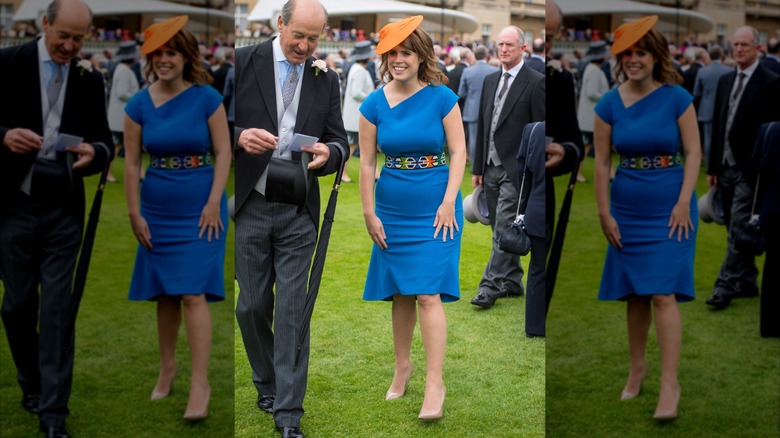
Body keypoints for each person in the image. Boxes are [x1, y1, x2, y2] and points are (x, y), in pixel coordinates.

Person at [232, 0, 348, 436]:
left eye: (314, 38)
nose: (305, 45)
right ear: (280, 24)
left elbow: (339, 140)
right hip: (251, 204)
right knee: (252, 305)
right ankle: (266, 381)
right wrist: (239, 135)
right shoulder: (243, 61)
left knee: (294, 310)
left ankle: (288, 414)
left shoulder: (326, 77)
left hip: (299, 209)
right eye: (298, 34)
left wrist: (330, 153)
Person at [0, 0, 114, 436]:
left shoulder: (90, 78)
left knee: (56, 313)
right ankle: (30, 380)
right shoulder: (8, 63)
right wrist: (5, 135)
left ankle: (53, 415)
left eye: (78, 38)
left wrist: (95, 152)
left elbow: (103, 139)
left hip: (63, 210)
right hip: (13, 205)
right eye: (63, 35)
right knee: (16, 306)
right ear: (43, 24)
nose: (70, 46)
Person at [358, 15, 467, 420]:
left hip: (437, 207)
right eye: (393, 53)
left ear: (422, 56)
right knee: (400, 290)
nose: (399, 59)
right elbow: (366, 164)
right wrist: (369, 212)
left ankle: (435, 383)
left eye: (406, 52)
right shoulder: (371, 105)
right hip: (391, 208)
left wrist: (448, 200)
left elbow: (458, 152)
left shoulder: (442, 97)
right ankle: (402, 367)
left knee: (427, 292)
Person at [593, 15, 701, 421]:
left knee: (662, 292)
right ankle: (637, 367)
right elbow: (601, 164)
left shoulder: (677, 98)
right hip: (626, 207)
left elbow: (693, 152)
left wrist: (683, 200)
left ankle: (670, 383)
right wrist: (604, 212)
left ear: (657, 56)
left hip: (672, 207)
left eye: (642, 52)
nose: (635, 59)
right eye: (628, 53)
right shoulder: (607, 106)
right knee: (635, 292)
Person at [123, 15, 231, 421]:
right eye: (158, 53)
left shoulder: (207, 98)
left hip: (202, 207)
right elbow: (132, 164)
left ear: (186, 56)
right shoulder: (136, 106)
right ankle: (167, 367)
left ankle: (199, 383)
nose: (165, 59)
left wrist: (213, 200)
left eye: (172, 52)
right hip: (156, 208)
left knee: (191, 292)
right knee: (165, 292)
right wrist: (134, 212)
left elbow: (223, 152)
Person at [470, 25, 545, 309]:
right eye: (500, 44)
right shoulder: (490, 80)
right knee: (497, 228)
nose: (503, 50)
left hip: (517, 170)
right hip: (489, 166)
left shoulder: (537, 82)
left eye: (509, 45)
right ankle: (512, 280)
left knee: (503, 225)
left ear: (523, 48)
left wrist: (535, 172)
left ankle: (489, 288)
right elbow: (483, 125)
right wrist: (477, 167)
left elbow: (540, 129)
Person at [705, 26, 780, 309]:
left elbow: (772, 131)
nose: (738, 49)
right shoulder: (725, 79)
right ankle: (747, 280)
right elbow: (719, 122)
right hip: (724, 165)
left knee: (738, 224)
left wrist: (763, 169)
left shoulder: (772, 82)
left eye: (744, 45)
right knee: (730, 227)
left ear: (758, 48)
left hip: (751, 170)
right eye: (735, 45)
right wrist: (713, 166)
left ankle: (724, 286)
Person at [543, 0, 585, 318]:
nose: (545, 45)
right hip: (505, 186)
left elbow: (574, 140)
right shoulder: (498, 77)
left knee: (541, 264)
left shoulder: (560, 79)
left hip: (542, 187)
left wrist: (565, 151)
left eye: (550, 37)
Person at [750, 121, 780, 338]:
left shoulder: (768, 130)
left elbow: (753, 170)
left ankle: (769, 325)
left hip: (772, 205)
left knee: (772, 267)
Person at [340, 41, 375, 183]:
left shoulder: (355, 68)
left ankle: (376, 173)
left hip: (354, 113)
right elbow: (356, 92)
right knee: (352, 146)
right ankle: (342, 174)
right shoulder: (360, 71)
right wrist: (372, 98)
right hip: (356, 114)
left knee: (364, 145)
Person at [106, 40, 140, 183]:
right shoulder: (125, 71)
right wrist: (137, 98)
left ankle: (140, 173)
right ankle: (108, 173)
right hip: (122, 115)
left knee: (128, 146)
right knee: (117, 147)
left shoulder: (120, 68)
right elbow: (121, 93)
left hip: (120, 115)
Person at [576, 41, 610, 183]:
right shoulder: (595, 71)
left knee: (595, 146)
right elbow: (591, 93)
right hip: (591, 115)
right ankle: (578, 173)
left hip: (589, 115)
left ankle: (610, 173)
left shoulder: (590, 68)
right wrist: (607, 97)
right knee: (588, 146)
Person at [692, 45, 731, 165]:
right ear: (721, 55)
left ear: (709, 56)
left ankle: (710, 163)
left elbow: (696, 92)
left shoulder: (703, 71)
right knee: (723, 137)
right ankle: (721, 161)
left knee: (708, 139)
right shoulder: (729, 70)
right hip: (724, 109)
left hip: (707, 108)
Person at [457, 46, 498, 162]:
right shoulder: (495, 70)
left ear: (475, 56)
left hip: (472, 108)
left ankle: (476, 164)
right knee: (490, 137)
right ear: (487, 56)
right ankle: (487, 161)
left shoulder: (468, 71)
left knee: (474, 139)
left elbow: (461, 93)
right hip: (490, 109)